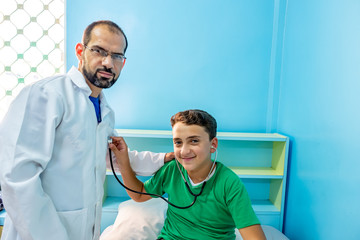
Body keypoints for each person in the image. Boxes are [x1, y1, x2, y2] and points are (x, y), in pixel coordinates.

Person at [0, 20, 173, 240]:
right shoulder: (46, 95)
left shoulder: (103, 108)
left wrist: (166, 158)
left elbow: (115, 157)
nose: (108, 63)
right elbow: (17, 179)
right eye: (99, 51)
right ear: (80, 51)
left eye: (117, 56)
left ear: (123, 63)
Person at [109, 109, 266, 240]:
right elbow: (140, 194)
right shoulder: (172, 170)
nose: (184, 151)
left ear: (213, 144)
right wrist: (123, 160)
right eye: (178, 142)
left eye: (194, 141)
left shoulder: (229, 183)